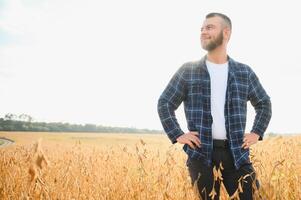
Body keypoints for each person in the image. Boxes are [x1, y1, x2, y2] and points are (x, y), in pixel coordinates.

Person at [157, 12, 272, 200]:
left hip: (237, 154)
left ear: (226, 33)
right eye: (201, 28)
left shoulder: (244, 72)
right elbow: (164, 102)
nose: (203, 32)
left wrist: (256, 132)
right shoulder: (188, 70)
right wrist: (178, 134)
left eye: (209, 27)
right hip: (201, 155)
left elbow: (264, 103)